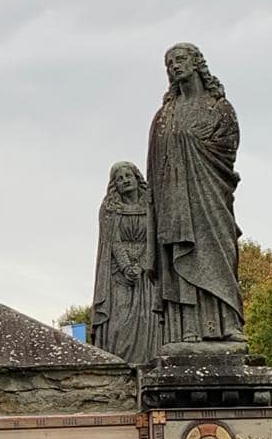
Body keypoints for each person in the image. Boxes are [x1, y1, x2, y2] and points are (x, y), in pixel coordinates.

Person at [146, 43, 244, 345]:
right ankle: (186, 328)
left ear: (196, 63)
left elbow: (228, 149)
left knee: (220, 254)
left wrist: (197, 151)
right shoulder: (164, 116)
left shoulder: (220, 107)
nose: (175, 66)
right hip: (175, 198)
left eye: (180, 59)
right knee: (181, 254)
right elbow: (154, 166)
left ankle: (229, 322)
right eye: (169, 63)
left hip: (212, 194)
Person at [91, 161, 161, 366]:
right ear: (115, 185)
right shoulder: (109, 208)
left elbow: (155, 237)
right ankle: (119, 366)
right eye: (120, 179)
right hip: (119, 275)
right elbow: (112, 240)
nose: (125, 181)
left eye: (128, 176)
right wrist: (126, 267)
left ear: (137, 178)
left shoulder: (152, 205)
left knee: (147, 319)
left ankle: (148, 365)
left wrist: (142, 264)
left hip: (147, 272)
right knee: (119, 324)